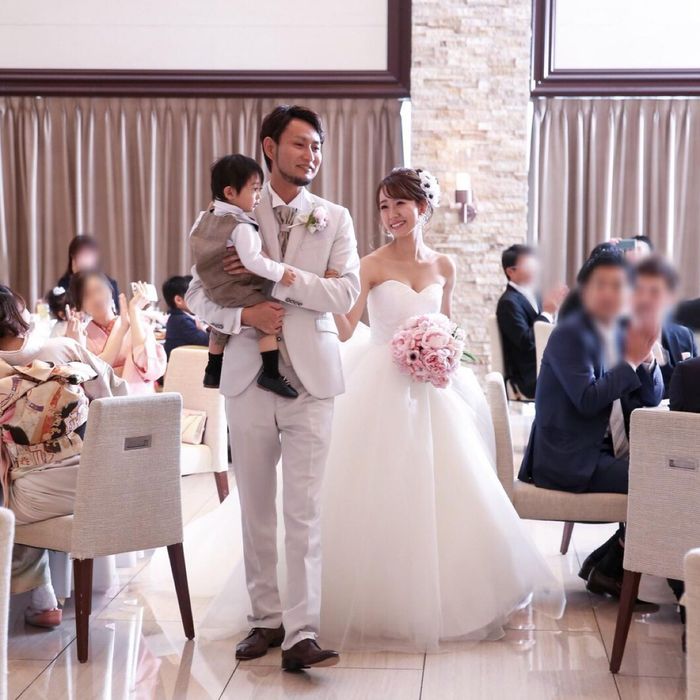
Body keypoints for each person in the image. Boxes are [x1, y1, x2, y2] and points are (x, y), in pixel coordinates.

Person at [314, 168, 563, 651]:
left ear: (422, 208)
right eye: (383, 206)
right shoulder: (369, 265)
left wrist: (443, 350)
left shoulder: (445, 265)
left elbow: (448, 326)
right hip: (379, 381)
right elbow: (345, 329)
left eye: (399, 204)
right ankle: (378, 600)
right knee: (380, 487)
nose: (391, 215)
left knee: (448, 483)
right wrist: (325, 293)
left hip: (433, 387)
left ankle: (456, 597)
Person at [186, 105, 360, 671]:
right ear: (269, 146)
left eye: (318, 146)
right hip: (246, 375)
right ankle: (265, 619)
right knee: (255, 506)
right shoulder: (231, 211)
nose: (312, 155)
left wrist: (282, 280)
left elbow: (345, 294)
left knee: (304, 511)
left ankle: (302, 633)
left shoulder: (335, 218)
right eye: (301, 144)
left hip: (312, 379)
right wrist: (246, 317)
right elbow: (199, 295)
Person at [519, 249, 664, 598]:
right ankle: (612, 565)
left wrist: (646, 359)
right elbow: (586, 399)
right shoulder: (571, 334)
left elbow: (652, 397)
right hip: (569, 458)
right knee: (660, 483)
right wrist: (630, 362)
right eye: (602, 284)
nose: (611, 293)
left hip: (605, 450)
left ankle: (606, 564)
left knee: (674, 472)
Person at [0, 284, 126, 629]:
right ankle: (43, 599)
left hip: (33, 498)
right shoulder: (65, 347)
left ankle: (41, 597)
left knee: (10, 492)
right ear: (20, 316)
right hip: (102, 479)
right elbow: (118, 399)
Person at [189, 154, 299, 395]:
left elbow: (195, 243)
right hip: (233, 287)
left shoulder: (204, 218)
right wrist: (280, 272)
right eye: (255, 189)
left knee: (218, 327)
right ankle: (270, 373)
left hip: (212, 287)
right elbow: (253, 261)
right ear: (230, 192)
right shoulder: (241, 226)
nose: (259, 196)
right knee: (266, 316)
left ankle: (212, 368)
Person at [68, 272, 166, 395]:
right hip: (104, 403)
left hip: (140, 399)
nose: (97, 298)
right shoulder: (81, 336)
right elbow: (90, 382)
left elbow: (152, 370)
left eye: (99, 289)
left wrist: (134, 311)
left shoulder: (137, 324)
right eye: (87, 295)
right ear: (80, 305)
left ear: (110, 291)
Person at [495, 245, 567, 399]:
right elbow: (526, 342)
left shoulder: (537, 294)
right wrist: (547, 312)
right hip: (529, 375)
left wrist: (557, 309)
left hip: (546, 363)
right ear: (510, 271)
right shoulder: (508, 303)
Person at [633, 255, 696, 398]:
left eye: (654, 292)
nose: (645, 299)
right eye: (640, 290)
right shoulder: (621, 337)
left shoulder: (684, 335)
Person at [57, 234, 119, 308]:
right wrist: (76, 278)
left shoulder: (109, 282)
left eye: (88, 255)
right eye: (81, 255)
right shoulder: (64, 283)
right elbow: (64, 308)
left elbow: (116, 309)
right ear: (73, 259)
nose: (85, 260)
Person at [161, 275, 209, 359]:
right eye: (194, 297)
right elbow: (207, 341)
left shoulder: (177, 318)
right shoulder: (182, 321)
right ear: (179, 300)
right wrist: (202, 329)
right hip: (182, 365)